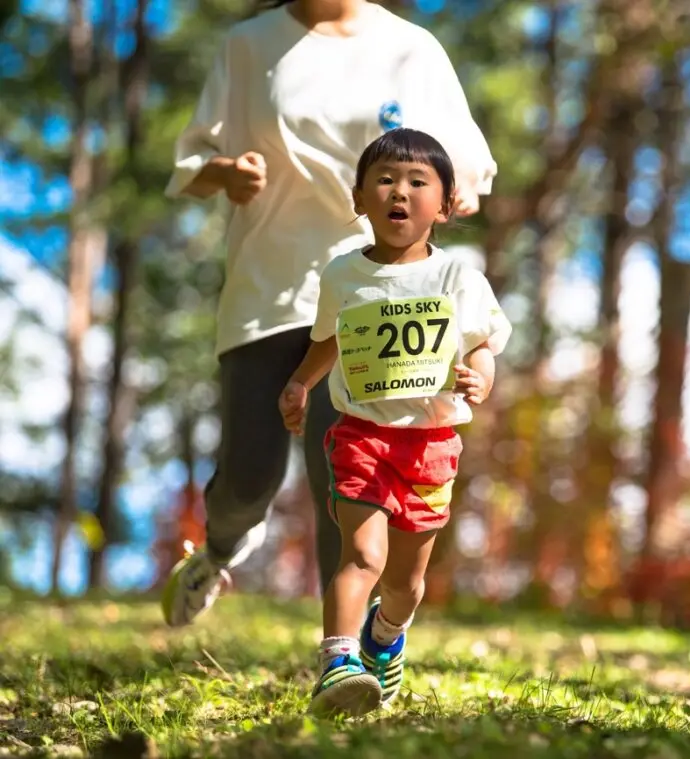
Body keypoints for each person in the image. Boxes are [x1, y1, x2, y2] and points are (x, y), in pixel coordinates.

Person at [160, 0, 496, 629]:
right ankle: (219, 548)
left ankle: (344, 662)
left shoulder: (412, 48)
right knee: (249, 474)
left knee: (343, 486)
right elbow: (192, 162)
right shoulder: (248, 45)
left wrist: (463, 188)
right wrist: (225, 173)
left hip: (374, 294)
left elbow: (466, 161)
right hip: (269, 285)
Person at [278, 127, 511, 717]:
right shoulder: (342, 276)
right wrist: (300, 381)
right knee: (362, 557)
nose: (398, 193)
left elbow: (483, 343)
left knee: (405, 581)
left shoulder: (460, 279)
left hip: (431, 444)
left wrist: (480, 375)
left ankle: (384, 637)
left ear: (446, 201)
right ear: (359, 199)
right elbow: (329, 340)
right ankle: (337, 662)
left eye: (416, 182)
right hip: (360, 435)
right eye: (383, 180)